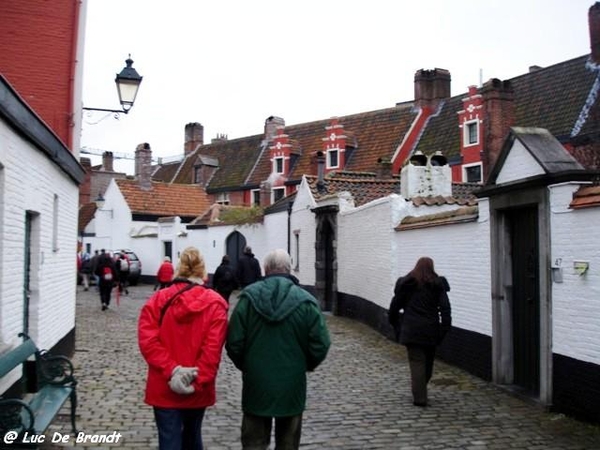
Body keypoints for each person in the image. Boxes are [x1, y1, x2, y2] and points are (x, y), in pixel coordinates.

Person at [226, 249, 330, 450]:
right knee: (288, 443)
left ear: (265, 269)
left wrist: (248, 364)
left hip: (257, 381)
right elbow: (321, 343)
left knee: (253, 442)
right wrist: (304, 365)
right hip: (292, 381)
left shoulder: (247, 300)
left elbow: (234, 342)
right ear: (289, 269)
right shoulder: (306, 301)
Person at [138, 246, 228, 450]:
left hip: (164, 385)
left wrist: (173, 370)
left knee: (168, 439)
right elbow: (212, 351)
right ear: (203, 271)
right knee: (192, 436)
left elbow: (148, 342)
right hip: (197, 387)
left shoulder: (157, 300)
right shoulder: (216, 304)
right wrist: (197, 382)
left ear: (179, 269)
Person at [388, 256, 451, 407]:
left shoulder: (407, 284)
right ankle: (420, 397)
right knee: (426, 363)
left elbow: (394, 307)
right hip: (430, 329)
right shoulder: (437, 285)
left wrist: (397, 325)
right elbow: (445, 309)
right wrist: (444, 329)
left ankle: (419, 391)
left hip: (412, 329)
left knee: (418, 363)